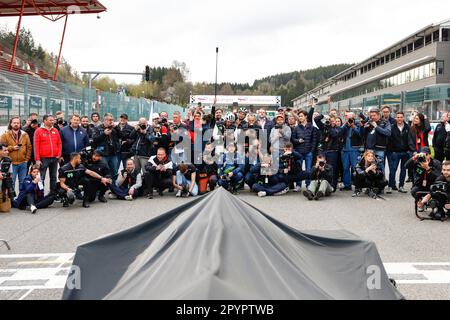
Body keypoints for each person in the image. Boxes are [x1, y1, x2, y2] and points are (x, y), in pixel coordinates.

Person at [1, 117, 32, 193]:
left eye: (18, 123)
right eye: (14, 123)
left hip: (23, 163)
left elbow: (29, 147)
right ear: (11, 124)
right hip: (11, 164)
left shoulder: (25, 134)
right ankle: (11, 201)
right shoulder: (5, 135)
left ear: (20, 124)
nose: (16, 124)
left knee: (23, 183)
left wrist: (26, 159)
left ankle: (21, 200)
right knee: (11, 182)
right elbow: (1, 149)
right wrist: (12, 148)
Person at [34, 115, 62, 195]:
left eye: (53, 120)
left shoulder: (55, 130)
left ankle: (52, 194)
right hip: (44, 158)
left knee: (53, 177)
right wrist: (37, 159)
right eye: (50, 120)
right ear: (45, 121)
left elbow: (59, 143)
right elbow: (36, 146)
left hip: (54, 158)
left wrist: (59, 154)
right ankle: (40, 194)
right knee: (41, 177)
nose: (52, 122)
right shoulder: (38, 131)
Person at [291, 110, 316, 191]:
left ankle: (308, 185)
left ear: (306, 116)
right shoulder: (296, 128)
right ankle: (298, 185)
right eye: (299, 116)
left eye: (301, 116)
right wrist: (298, 141)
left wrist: (311, 151)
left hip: (308, 152)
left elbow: (314, 140)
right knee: (298, 169)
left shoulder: (311, 127)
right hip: (299, 152)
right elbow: (293, 139)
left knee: (308, 170)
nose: (300, 117)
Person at [92, 113, 121, 181]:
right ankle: (104, 189)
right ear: (105, 120)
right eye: (109, 120)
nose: (111, 121)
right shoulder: (97, 128)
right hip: (103, 154)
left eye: (112, 120)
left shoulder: (114, 128)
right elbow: (94, 140)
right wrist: (104, 134)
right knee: (103, 172)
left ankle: (114, 188)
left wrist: (116, 128)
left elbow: (122, 136)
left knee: (114, 172)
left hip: (113, 154)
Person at [386, 112, 410, 194]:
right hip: (395, 153)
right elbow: (388, 140)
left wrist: (408, 150)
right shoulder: (392, 127)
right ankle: (390, 186)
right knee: (393, 170)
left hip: (405, 152)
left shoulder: (408, 127)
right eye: (398, 117)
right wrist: (391, 150)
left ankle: (401, 186)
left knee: (403, 170)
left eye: (401, 117)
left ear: (403, 118)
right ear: (396, 118)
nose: (399, 119)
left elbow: (410, 140)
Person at [362, 109, 391, 173]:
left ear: (378, 115)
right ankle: (371, 182)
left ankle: (381, 181)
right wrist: (364, 128)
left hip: (379, 149)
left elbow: (388, 133)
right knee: (368, 167)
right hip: (369, 149)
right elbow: (362, 135)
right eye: (371, 116)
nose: (372, 117)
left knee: (379, 166)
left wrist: (376, 126)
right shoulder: (369, 122)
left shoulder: (385, 122)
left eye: (374, 115)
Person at [340, 112, 362, 191]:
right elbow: (340, 132)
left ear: (354, 117)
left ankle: (358, 185)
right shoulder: (345, 125)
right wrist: (345, 125)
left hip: (354, 150)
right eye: (347, 117)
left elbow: (360, 134)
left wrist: (353, 126)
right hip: (345, 150)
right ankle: (347, 185)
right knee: (345, 168)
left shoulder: (358, 124)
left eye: (350, 117)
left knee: (355, 168)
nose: (348, 119)